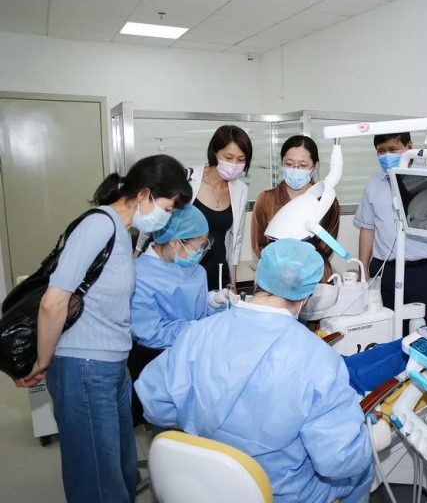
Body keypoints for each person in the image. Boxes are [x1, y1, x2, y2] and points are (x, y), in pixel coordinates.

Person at [135, 239, 373, 503]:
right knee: (361, 472)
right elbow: (340, 460)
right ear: (307, 297)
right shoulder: (318, 359)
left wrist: (207, 426)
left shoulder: (199, 332)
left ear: (258, 279)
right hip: (277, 492)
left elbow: (154, 403)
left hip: (202, 483)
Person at [15, 155, 192, 503]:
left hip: (110, 366)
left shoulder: (122, 233)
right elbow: (54, 302)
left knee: (120, 469)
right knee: (96, 478)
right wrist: (42, 361)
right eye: (168, 208)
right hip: (84, 366)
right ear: (145, 194)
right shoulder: (98, 226)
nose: (167, 218)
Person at [128, 205, 230, 427]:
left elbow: (196, 310)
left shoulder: (194, 269)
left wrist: (213, 302)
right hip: (158, 362)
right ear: (175, 242)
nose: (202, 251)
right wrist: (196, 329)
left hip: (194, 358)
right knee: (168, 428)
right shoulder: (139, 275)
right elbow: (149, 332)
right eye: (199, 246)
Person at [136, 124, 251, 291]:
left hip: (216, 270)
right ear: (214, 153)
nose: (234, 164)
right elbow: (154, 218)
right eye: (228, 157)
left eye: (241, 160)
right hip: (180, 267)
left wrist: (233, 281)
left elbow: (236, 238)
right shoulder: (187, 179)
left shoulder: (240, 189)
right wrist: (137, 251)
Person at [355, 132, 427, 326]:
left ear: (409, 147)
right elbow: (367, 229)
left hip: (420, 271)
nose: (387, 156)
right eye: (381, 151)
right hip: (384, 270)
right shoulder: (373, 185)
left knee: (420, 328)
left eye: (393, 150)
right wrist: (363, 269)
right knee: (384, 326)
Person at [251, 135, 340, 282]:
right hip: (276, 278)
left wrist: (300, 265)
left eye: (303, 165)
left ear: (315, 166)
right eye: (289, 164)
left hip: (315, 277)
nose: (295, 170)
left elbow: (326, 246)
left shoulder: (326, 201)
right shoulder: (266, 200)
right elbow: (259, 245)